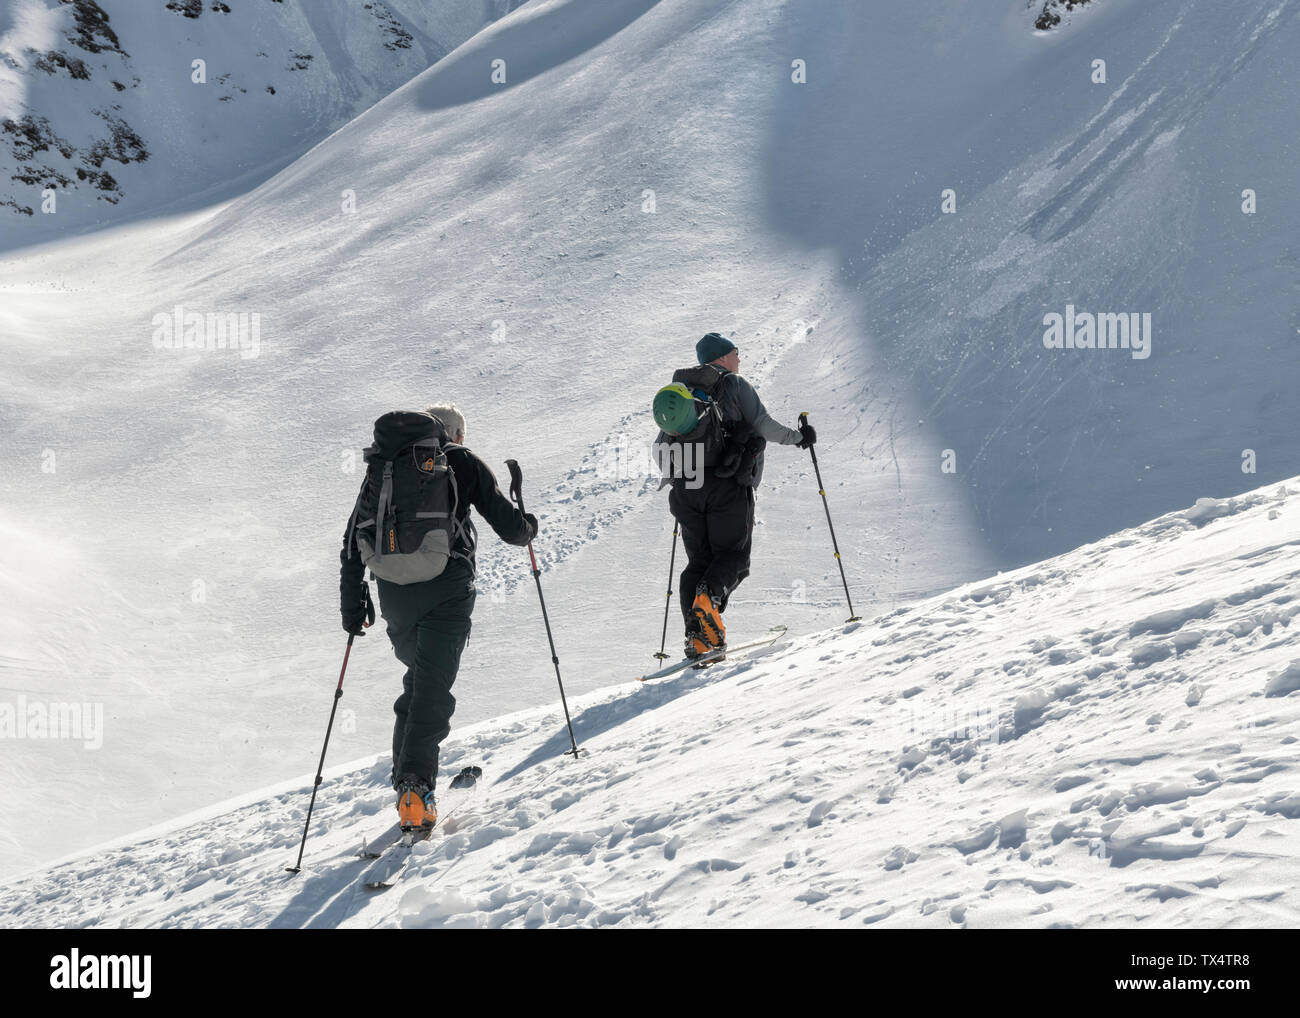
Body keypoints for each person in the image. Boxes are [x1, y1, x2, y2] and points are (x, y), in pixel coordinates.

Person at [339, 404, 535, 829]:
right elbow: (510, 529)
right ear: (456, 435)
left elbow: (354, 535)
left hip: (393, 593)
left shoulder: (384, 468)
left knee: (419, 683)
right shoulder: (459, 461)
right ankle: (416, 788)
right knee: (432, 692)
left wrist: (352, 605)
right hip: (446, 588)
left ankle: (406, 785)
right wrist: (529, 526)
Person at [664, 333, 815, 659]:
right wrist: (799, 438)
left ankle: (698, 638)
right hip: (727, 488)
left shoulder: (681, 392)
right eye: (736, 352)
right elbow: (763, 425)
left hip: (685, 490)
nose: (739, 358)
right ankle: (709, 601)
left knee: (698, 563)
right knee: (734, 559)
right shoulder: (734, 384)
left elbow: (661, 446)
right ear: (720, 357)